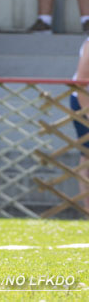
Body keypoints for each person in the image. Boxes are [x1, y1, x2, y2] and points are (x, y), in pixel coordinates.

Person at [70, 38, 89, 213]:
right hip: (84, 100)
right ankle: (87, 209)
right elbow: (82, 80)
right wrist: (87, 114)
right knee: (87, 156)